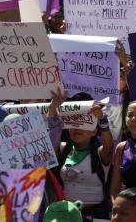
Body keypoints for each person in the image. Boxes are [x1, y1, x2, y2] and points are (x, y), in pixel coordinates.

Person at [52, 91, 114, 221]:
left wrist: (102, 119)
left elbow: (109, 148)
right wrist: (53, 109)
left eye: (83, 123)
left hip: (96, 215)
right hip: (66, 215)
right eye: (72, 125)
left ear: (94, 131)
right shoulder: (63, 149)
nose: (77, 128)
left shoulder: (100, 152)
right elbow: (52, 136)